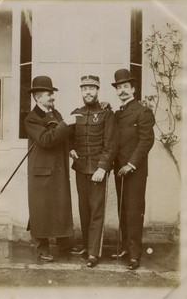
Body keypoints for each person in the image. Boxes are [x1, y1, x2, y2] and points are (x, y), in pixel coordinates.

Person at [25, 76, 80, 262]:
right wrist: (66, 124)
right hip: (41, 173)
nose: (52, 97)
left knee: (60, 207)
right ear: (37, 97)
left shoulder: (55, 113)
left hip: (58, 170)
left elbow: (65, 135)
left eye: (52, 94)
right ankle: (42, 249)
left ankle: (64, 246)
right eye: (49, 94)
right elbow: (46, 140)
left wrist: (71, 147)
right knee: (41, 209)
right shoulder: (31, 119)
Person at [69, 75, 118, 267]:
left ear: (98, 91)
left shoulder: (107, 114)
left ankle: (93, 253)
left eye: (91, 88)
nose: (87, 92)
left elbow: (111, 144)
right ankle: (86, 245)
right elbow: (69, 136)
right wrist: (70, 147)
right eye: (84, 89)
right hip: (81, 169)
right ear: (81, 91)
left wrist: (102, 168)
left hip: (98, 170)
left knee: (96, 210)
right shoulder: (76, 113)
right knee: (84, 208)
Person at [111, 69, 155, 270]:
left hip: (135, 171)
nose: (122, 91)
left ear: (133, 89)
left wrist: (131, 164)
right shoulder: (117, 113)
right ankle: (127, 248)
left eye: (125, 87)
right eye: (119, 88)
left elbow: (147, 141)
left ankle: (135, 255)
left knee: (134, 211)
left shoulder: (142, 111)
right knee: (123, 210)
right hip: (119, 170)